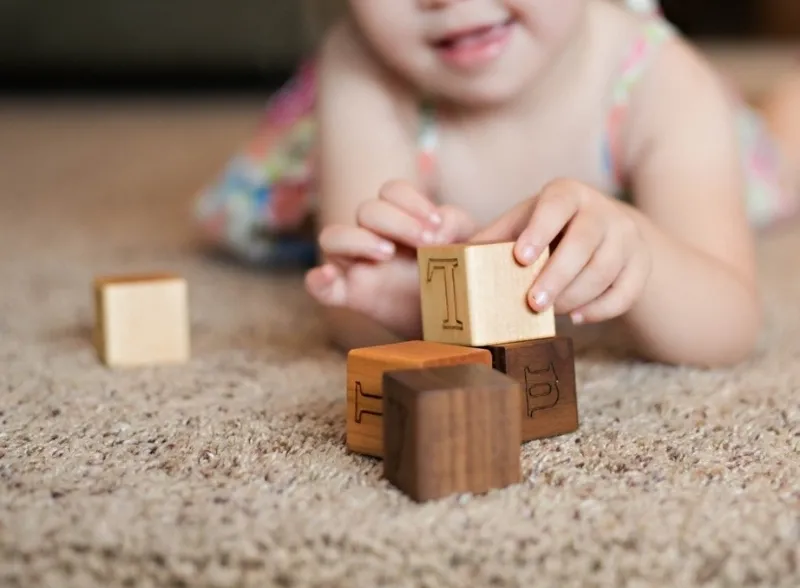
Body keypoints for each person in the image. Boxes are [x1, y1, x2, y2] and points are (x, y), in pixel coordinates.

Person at [194, 0, 800, 367]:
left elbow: (729, 324)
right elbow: (348, 304)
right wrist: (410, 299)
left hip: (675, 147)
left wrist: (639, 249)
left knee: (774, 169)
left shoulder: (659, 82)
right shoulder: (363, 68)